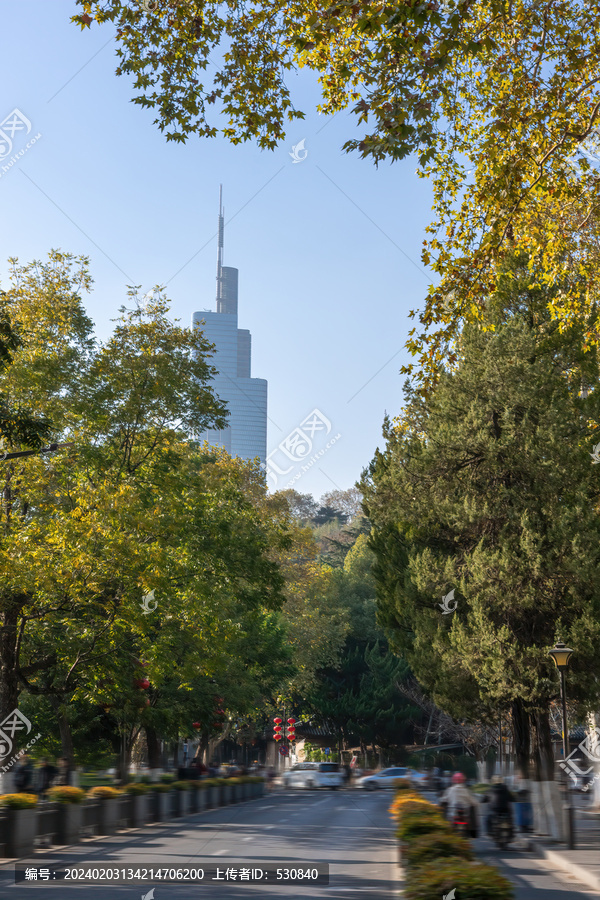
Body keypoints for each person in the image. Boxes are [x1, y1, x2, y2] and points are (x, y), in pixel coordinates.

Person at [440, 772, 478, 838]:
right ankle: (473, 831)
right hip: (465, 814)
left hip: (453, 814)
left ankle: (442, 827)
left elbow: (444, 799)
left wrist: (442, 800)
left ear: (454, 780)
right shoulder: (466, 790)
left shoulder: (450, 790)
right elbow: (473, 802)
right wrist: (476, 803)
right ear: (463, 780)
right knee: (474, 808)